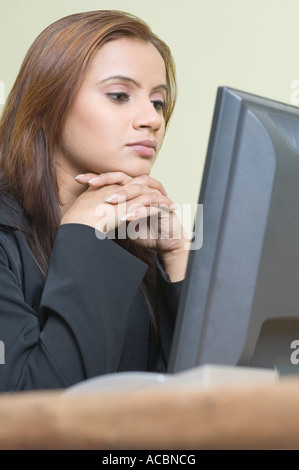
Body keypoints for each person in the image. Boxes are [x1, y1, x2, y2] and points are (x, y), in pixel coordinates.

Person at [0, 10, 190, 391]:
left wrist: (179, 259)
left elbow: (205, 405)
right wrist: (82, 236)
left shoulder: (133, 238)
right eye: (120, 95)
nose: (151, 119)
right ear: (47, 105)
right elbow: (35, 412)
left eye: (157, 102)